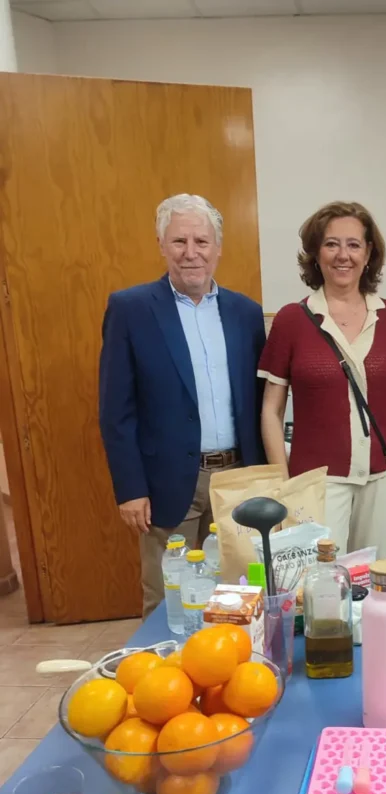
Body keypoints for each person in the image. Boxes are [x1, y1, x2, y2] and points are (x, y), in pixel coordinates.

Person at [99, 193, 267, 617]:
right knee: (168, 601)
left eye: (201, 242)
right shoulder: (131, 309)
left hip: (236, 478)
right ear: (161, 244)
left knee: (239, 594)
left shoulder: (246, 313)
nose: (191, 253)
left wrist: (265, 475)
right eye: (179, 242)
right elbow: (116, 409)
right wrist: (131, 488)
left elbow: (260, 399)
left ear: (218, 247)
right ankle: (166, 681)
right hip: (167, 483)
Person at [259, 201, 386, 557]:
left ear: (369, 252)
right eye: (331, 244)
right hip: (316, 483)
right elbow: (271, 410)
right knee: (320, 588)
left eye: (354, 244)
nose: (342, 255)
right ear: (316, 253)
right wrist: (282, 484)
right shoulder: (291, 321)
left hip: (378, 478)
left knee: (370, 585)